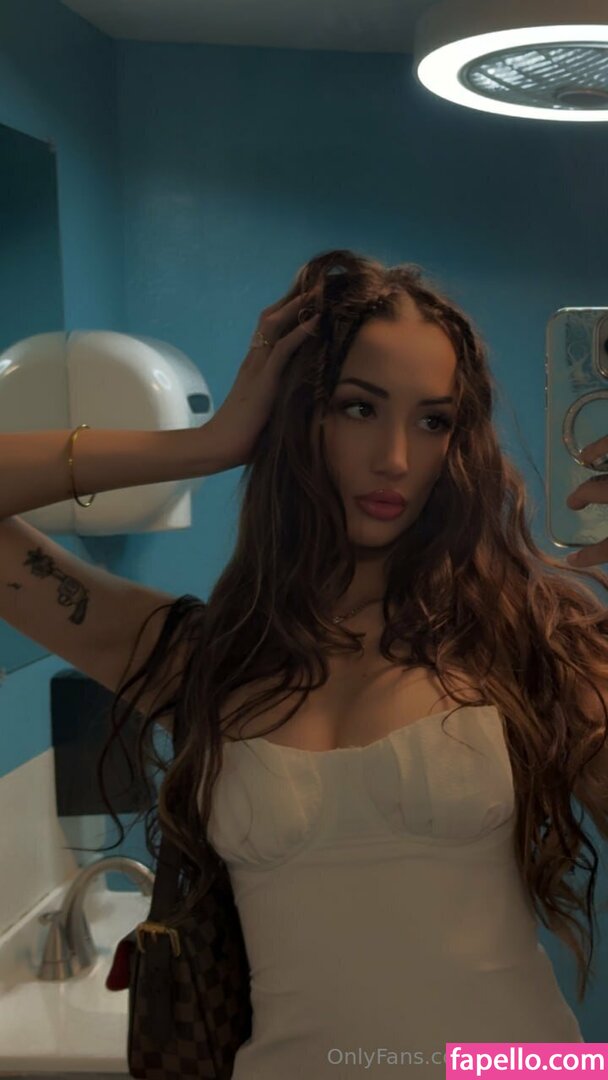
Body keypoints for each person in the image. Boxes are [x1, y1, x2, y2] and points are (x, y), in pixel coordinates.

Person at [2, 248, 608, 1078]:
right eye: (359, 407)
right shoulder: (203, 661)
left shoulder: (533, 641)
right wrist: (209, 444)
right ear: (297, 417)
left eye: (433, 421)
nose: (396, 457)